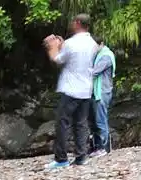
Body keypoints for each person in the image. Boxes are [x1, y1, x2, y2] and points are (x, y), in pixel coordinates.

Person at [43, 14, 97, 169]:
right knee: (80, 124)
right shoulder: (92, 43)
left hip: (71, 88)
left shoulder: (71, 43)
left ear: (78, 23)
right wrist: (62, 45)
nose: (72, 23)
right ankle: (81, 156)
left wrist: (52, 47)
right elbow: (76, 60)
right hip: (86, 89)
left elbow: (58, 60)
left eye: (74, 21)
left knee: (63, 123)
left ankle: (61, 159)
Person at [90, 38, 116, 157]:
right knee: (96, 120)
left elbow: (94, 72)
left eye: (95, 45)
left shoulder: (106, 56)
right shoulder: (99, 55)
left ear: (101, 44)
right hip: (97, 91)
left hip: (103, 91)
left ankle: (104, 147)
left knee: (100, 120)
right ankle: (97, 146)